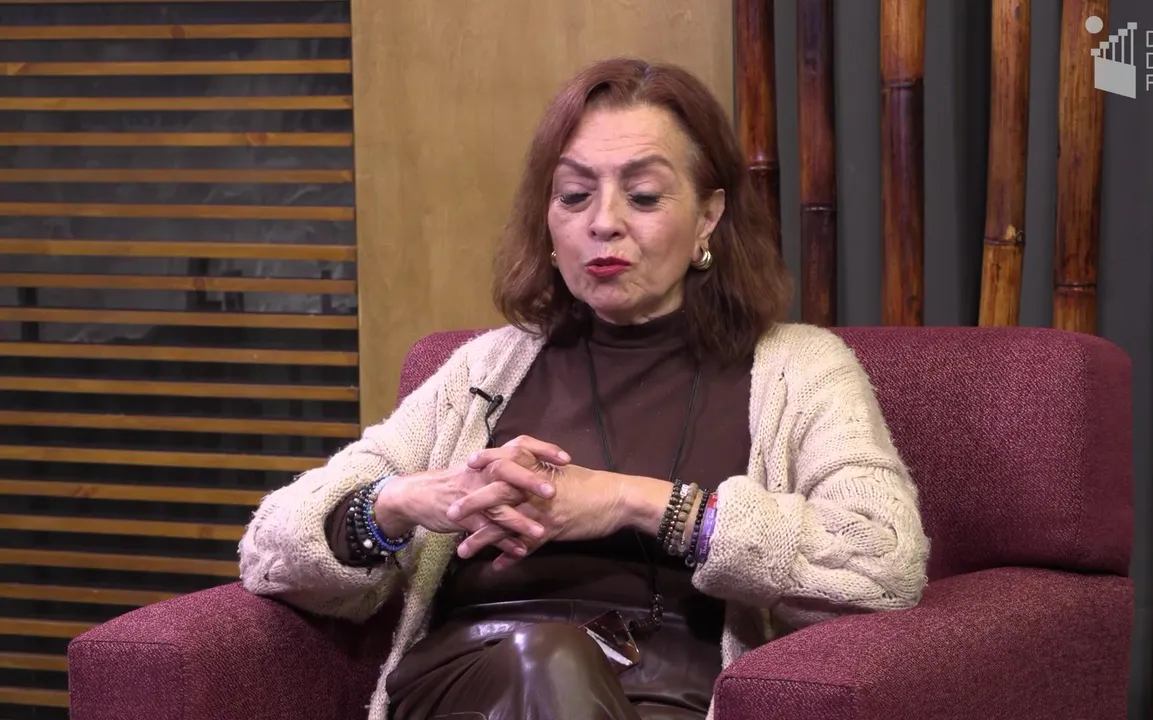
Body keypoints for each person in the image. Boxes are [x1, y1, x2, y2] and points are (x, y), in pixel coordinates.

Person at [239, 56, 929, 720]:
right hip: (472, 686)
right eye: (574, 196)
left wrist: (641, 504)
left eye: (644, 196)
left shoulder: (800, 370)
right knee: (549, 659)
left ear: (708, 216)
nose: (603, 222)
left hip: (674, 699)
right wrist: (402, 501)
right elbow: (270, 551)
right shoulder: (484, 372)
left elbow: (883, 564)